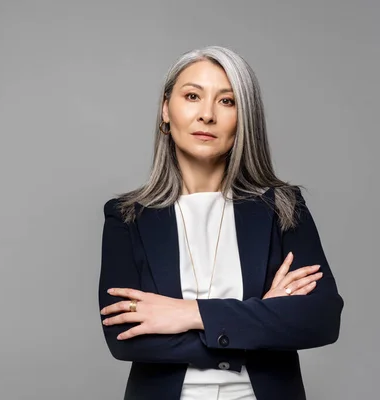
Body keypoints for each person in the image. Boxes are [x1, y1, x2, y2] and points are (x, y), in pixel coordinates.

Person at [97, 46, 344, 400]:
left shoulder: (283, 206)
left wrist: (188, 313)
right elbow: (123, 339)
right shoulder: (126, 215)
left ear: (244, 118)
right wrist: (261, 317)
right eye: (192, 96)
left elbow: (321, 318)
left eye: (227, 101)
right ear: (166, 110)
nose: (207, 115)